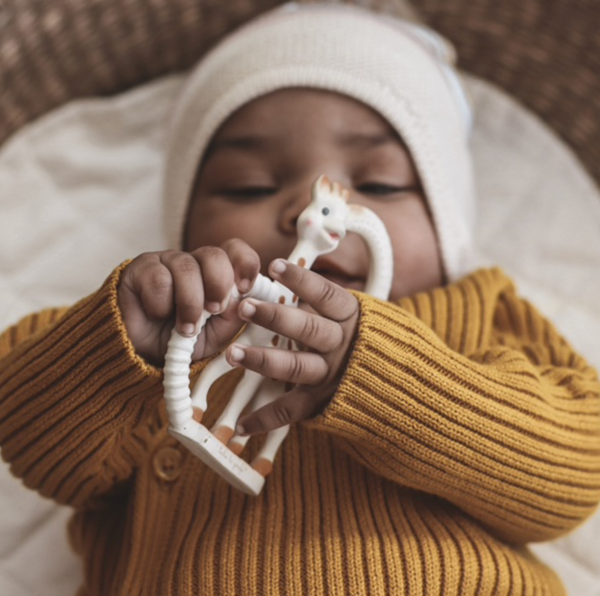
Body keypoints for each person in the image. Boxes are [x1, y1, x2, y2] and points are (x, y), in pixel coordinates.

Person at [1, 3, 599, 595]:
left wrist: (387, 378)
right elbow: (31, 438)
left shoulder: (474, 312)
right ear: (183, 233)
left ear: (448, 227)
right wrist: (120, 343)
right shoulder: (180, 330)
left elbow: (577, 468)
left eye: (379, 183)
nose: (306, 208)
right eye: (250, 186)